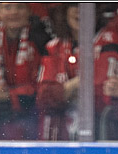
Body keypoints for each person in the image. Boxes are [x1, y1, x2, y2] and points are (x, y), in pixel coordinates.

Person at [0, 2, 50, 140]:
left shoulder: (40, 38)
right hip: (1, 111)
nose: (14, 12)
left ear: (29, 11)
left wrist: (10, 94)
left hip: (33, 112)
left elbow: (42, 84)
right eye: (7, 7)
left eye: (20, 7)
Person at [36, 4, 80, 141]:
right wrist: (74, 85)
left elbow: (103, 94)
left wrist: (63, 92)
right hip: (56, 133)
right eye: (74, 4)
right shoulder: (53, 47)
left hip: (93, 130)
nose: (79, 10)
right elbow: (44, 98)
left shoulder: (105, 44)